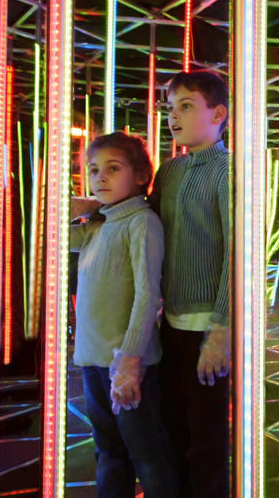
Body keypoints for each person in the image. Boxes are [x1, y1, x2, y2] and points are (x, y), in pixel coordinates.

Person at [68, 132, 177, 498]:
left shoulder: (141, 224)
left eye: (113, 169)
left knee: (147, 455)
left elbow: (148, 296)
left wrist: (130, 359)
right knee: (109, 453)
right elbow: (51, 228)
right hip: (91, 360)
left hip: (127, 364)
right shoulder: (99, 226)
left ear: (142, 175)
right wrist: (88, 208)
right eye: (94, 170)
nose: (100, 177)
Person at [150, 70, 232, 498]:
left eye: (185, 106)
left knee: (207, 440)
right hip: (171, 324)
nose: (173, 116)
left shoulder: (228, 169)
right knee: (173, 430)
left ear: (218, 113)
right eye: (170, 108)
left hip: (208, 325)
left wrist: (220, 332)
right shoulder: (169, 171)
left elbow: (237, 253)